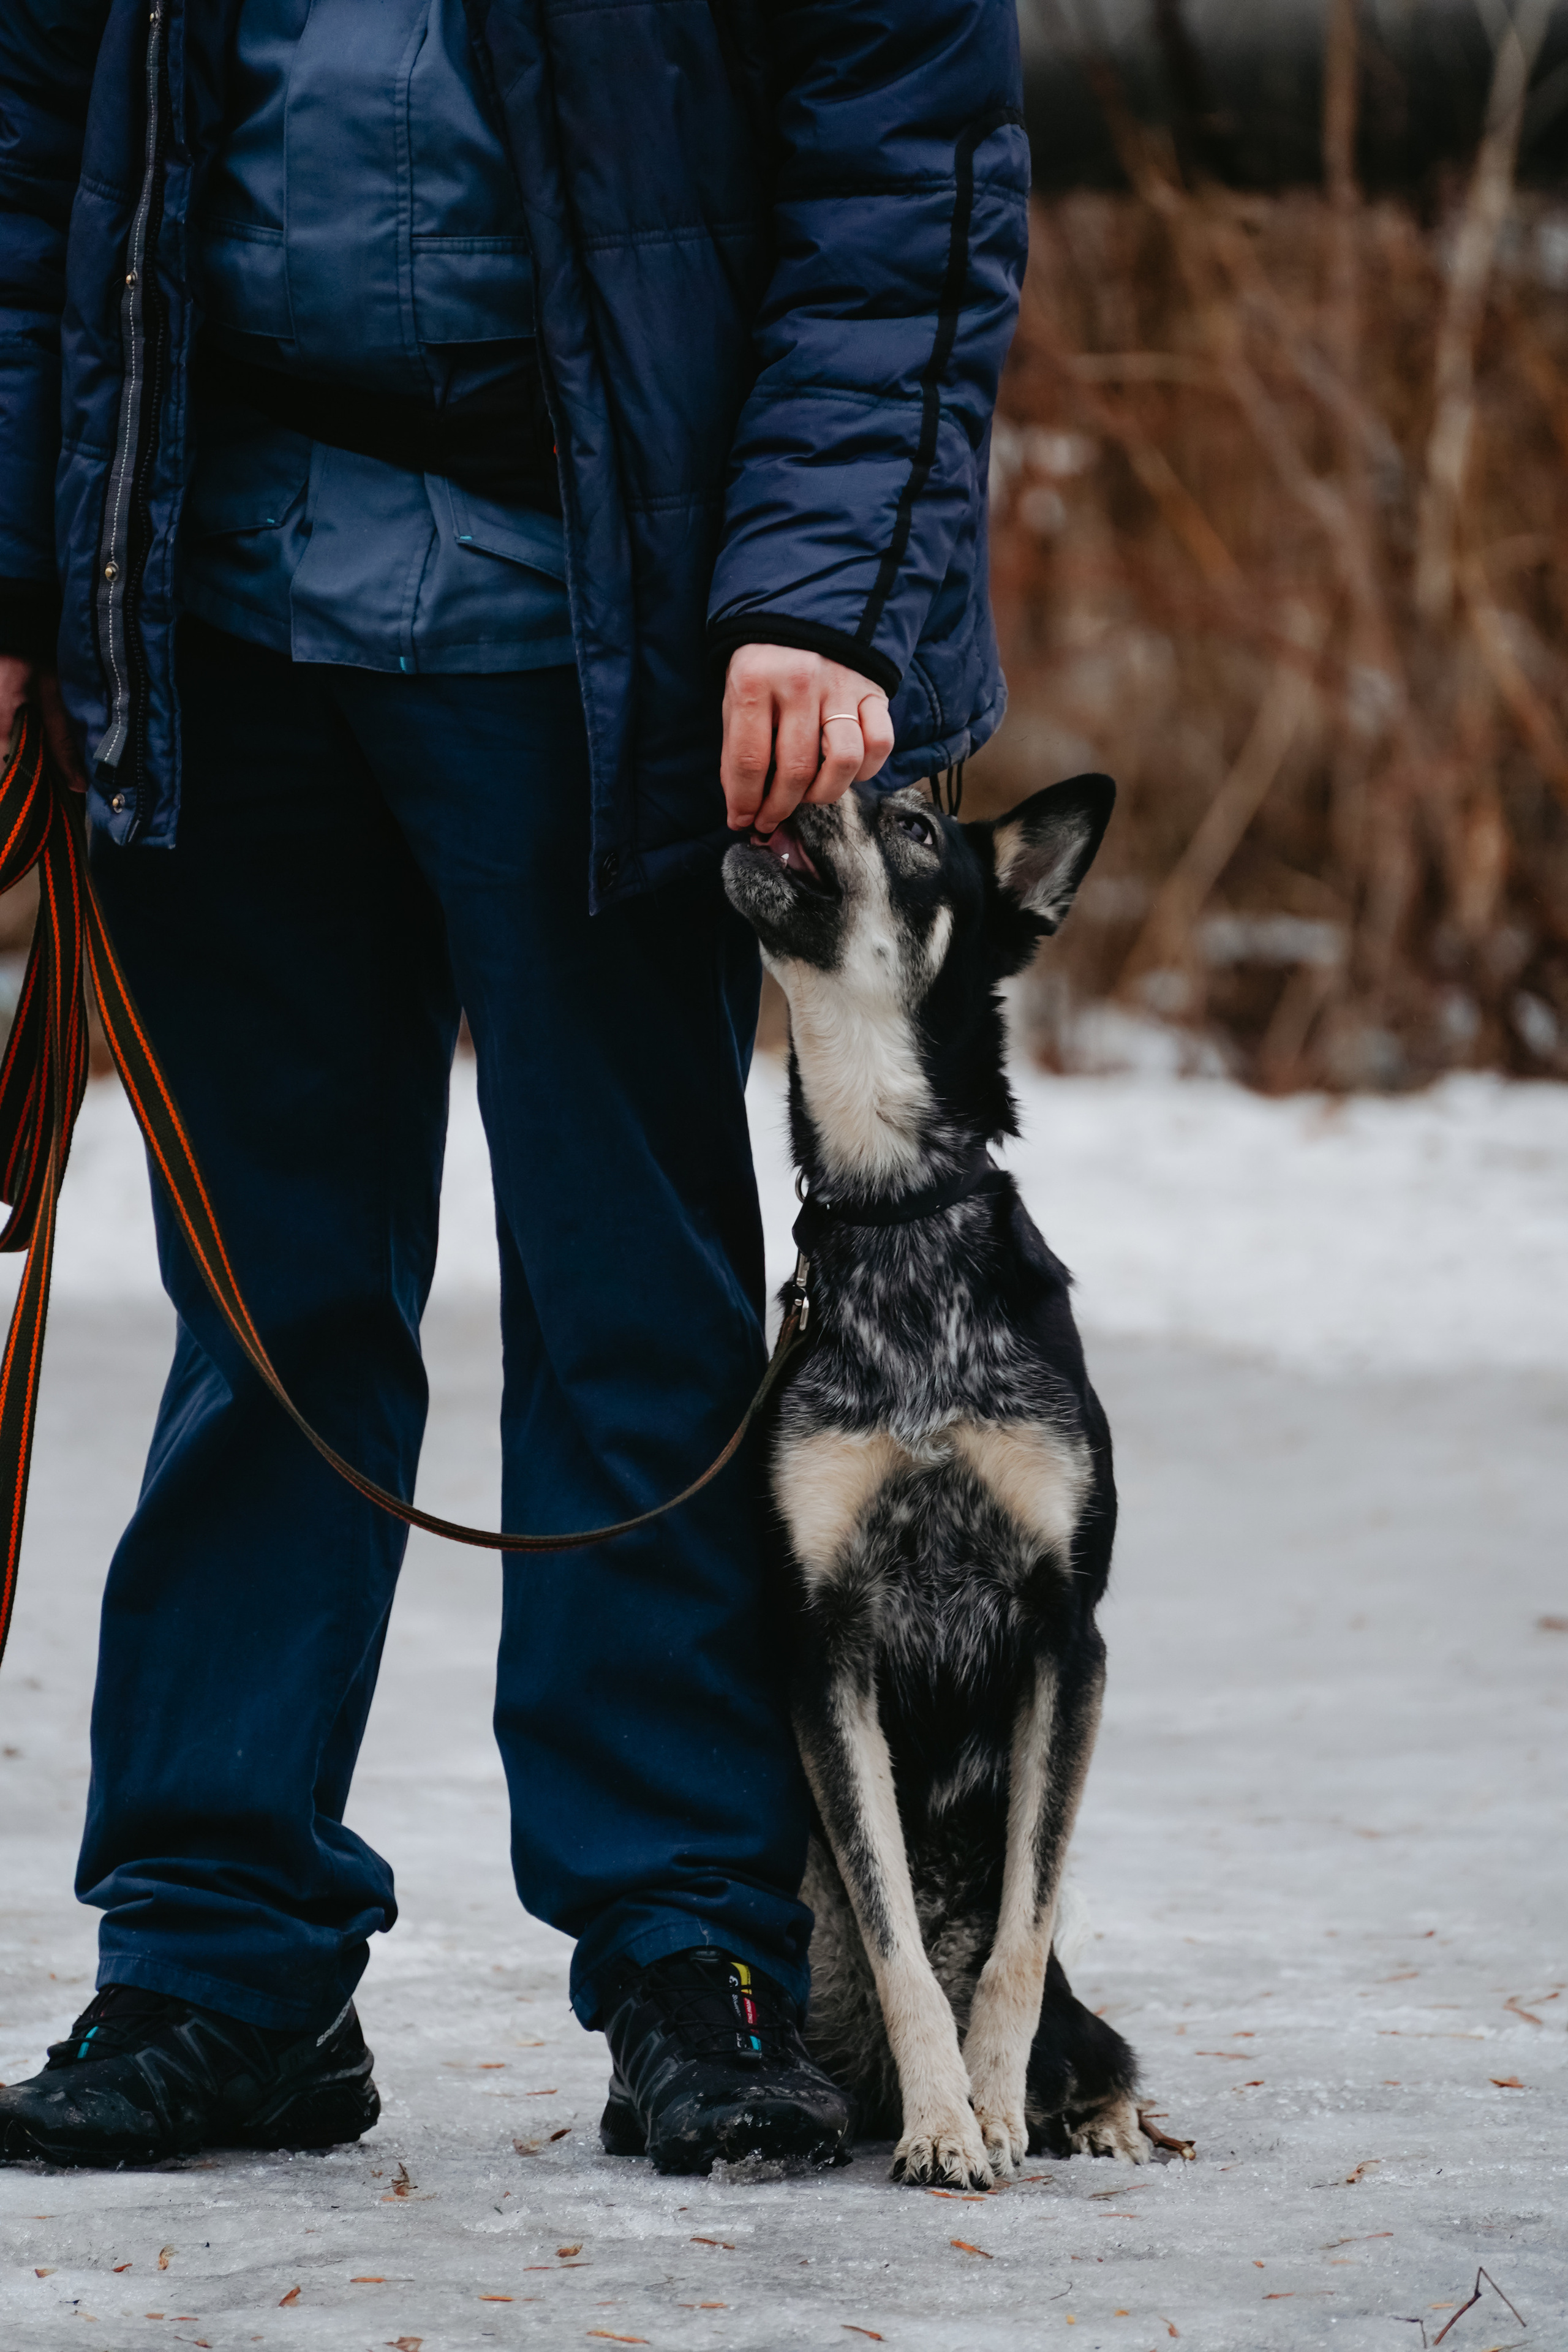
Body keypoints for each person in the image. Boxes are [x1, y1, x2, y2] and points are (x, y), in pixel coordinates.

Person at [0, 0, 1028, 2173]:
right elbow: (23, 152)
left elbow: (905, 191)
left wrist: (825, 596)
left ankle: (695, 1947)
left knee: (636, 1312)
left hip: (625, 632)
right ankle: (214, 1951)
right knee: (259, 1313)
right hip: (212, 604)